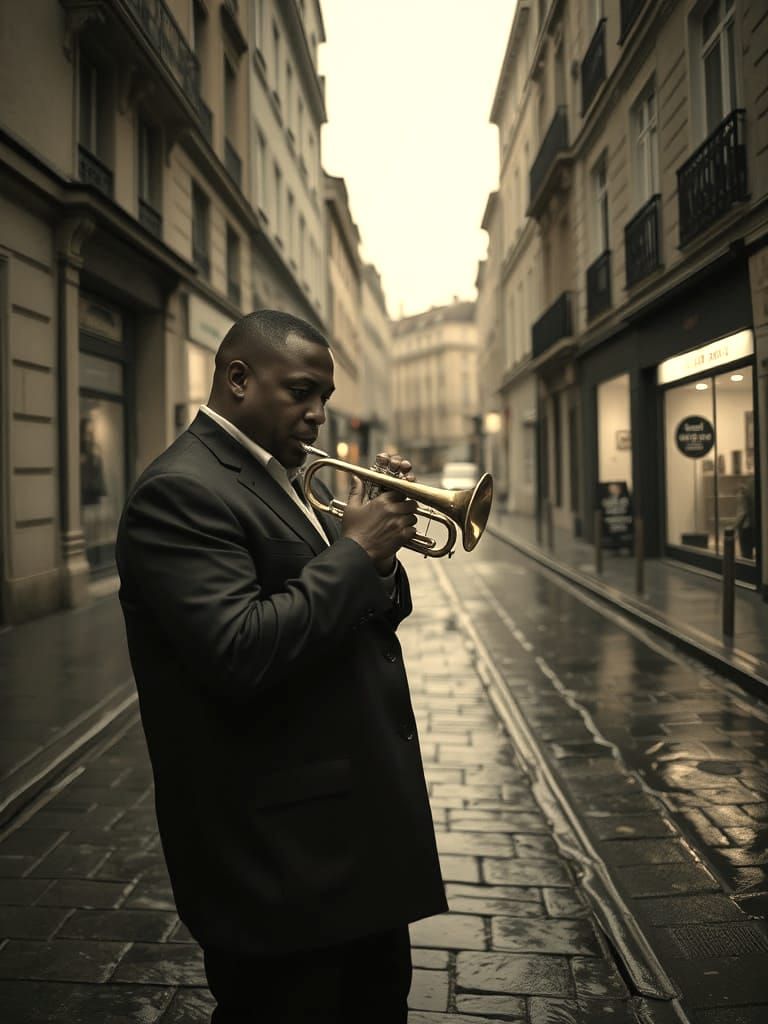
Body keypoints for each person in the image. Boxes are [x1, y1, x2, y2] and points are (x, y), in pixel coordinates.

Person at [115, 310, 447, 1023]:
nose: (318, 413)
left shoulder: (289, 477)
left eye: (323, 396)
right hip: (278, 859)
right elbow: (238, 649)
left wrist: (379, 554)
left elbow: (360, 616)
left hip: (348, 840)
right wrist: (354, 553)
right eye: (300, 391)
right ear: (238, 378)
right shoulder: (182, 490)